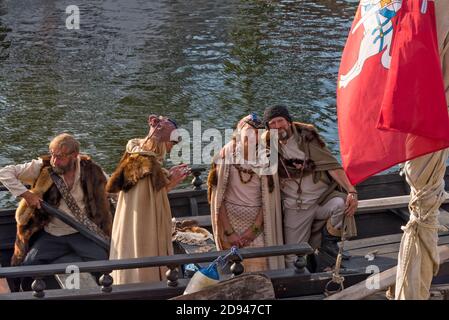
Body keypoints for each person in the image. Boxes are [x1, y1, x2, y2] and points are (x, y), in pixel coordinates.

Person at [0, 133, 113, 288]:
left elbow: (115, 191)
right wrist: (27, 195)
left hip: (81, 233)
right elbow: (4, 173)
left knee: (105, 262)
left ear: (74, 155)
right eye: (52, 154)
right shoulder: (42, 167)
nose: (54, 160)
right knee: (28, 266)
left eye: (59, 156)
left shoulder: (91, 170)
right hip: (52, 234)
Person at [262, 105, 358, 266]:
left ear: (289, 121)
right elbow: (244, 147)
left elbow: (331, 165)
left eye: (281, 121)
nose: (278, 126)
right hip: (296, 206)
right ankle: (299, 278)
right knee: (292, 255)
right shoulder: (266, 144)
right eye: (272, 123)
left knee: (342, 203)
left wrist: (351, 190)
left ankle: (328, 246)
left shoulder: (307, 137)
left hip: (321, 201)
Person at [107, 115, 189, 284]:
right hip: (145, 228)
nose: (172, 149)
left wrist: (167, 179)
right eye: (172, 143)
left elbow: (146, 196)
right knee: (143, 257)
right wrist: (170, 181)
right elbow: (147, 202)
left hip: (131, 224)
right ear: (164, 142)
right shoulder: (147, 163)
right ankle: (147, 286)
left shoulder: (135, 155)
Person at [208, 114, 284, 272]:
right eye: (249, 130)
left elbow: (269, 200)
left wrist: (253, 231)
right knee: (229, 272)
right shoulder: (224, 155)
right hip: (228, 225)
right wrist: (230, 232)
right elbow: (217, 198)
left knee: (259, 270)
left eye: (258, 132)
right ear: (239, 131)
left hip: (258, 229)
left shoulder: (268, 158)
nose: (253, 135)